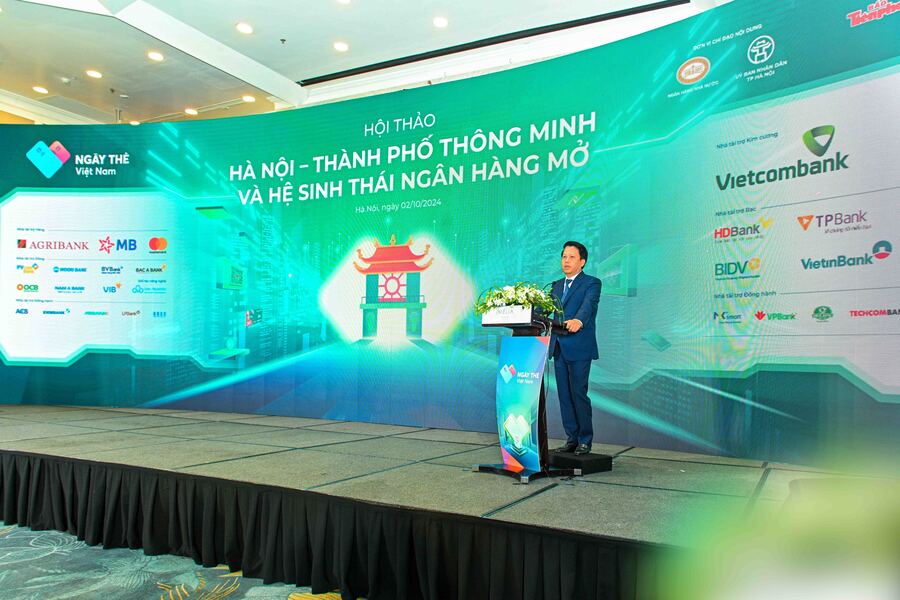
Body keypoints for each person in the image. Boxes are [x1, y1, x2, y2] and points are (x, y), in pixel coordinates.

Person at [549, 241, 601, 455]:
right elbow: (543, 310)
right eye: (564, 257)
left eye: (571, 257)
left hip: (579, 346)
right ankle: (571, 438)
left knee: (578, 393)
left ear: (582, 261)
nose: (566, 261)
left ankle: (585, 440)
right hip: (559, 347)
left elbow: (588, 305)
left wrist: (578, 320)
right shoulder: (556, 285)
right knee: (564, 395)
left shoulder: (591, 283)